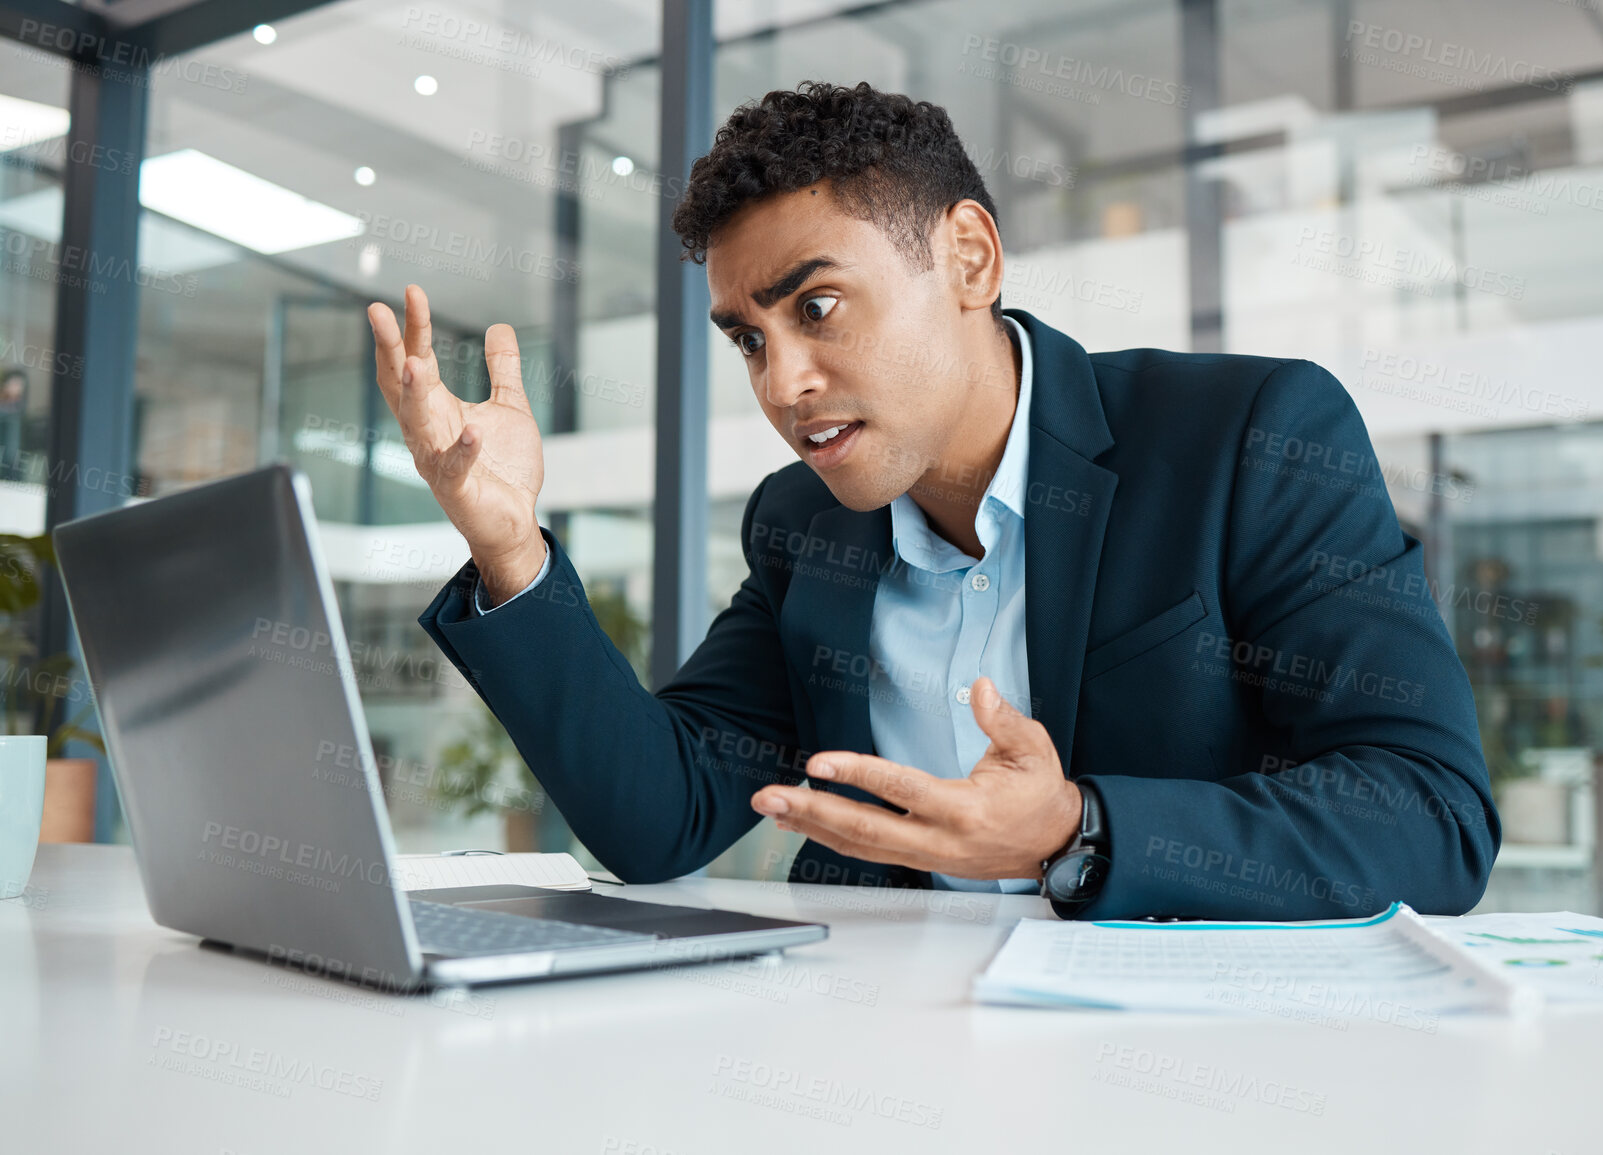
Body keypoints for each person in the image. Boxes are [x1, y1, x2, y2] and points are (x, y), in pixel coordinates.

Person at [368, 81, 1498, 921]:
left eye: (816, 308)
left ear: (967, 257)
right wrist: (511, 549)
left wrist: (1078, 829)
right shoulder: (804, 526)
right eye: (748, 340)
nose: (782, 384)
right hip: (869, 1051)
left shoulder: (1251, 440)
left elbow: (1433, 815)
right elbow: (658, 817)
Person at [0, 367, 26, 482]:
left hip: (12, 460)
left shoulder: (19, 407)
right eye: (15, 384)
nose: (18, 388)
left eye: (21, 385)